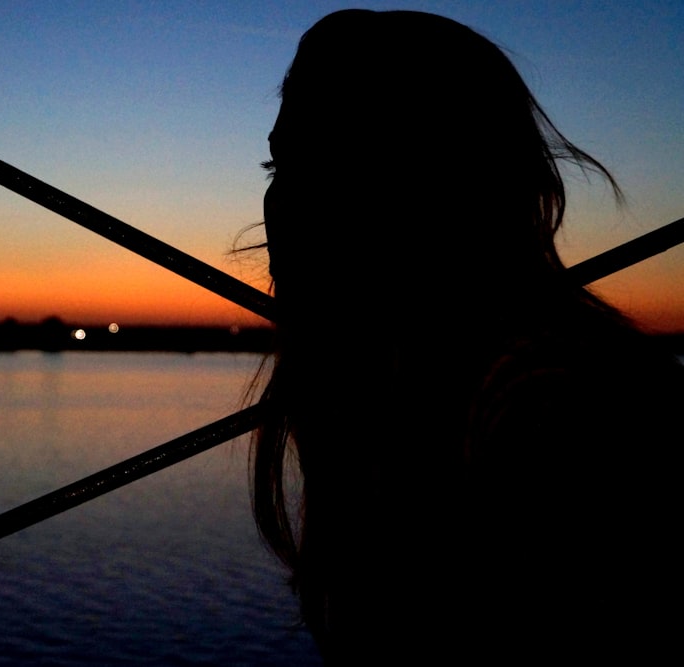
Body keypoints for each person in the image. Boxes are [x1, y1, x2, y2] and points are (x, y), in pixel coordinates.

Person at [249, 9, 683, 663]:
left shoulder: (548, 408)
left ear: (445, 181)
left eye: (342, 160)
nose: (284, 204)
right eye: (279, 166)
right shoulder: (387, 382)